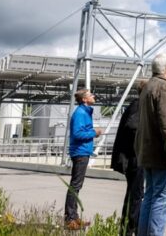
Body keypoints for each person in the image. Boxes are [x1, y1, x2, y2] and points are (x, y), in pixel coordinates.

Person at [135, 53, 166, 236]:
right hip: (161, 154)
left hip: (146, 152)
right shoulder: (165, 88)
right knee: (162, 199)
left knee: (150, 197)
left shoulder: (147, 86)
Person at [64, 89, 102, 230]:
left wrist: (92, 133)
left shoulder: (85, 112)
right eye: (90, 94)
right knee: (75, 185)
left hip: (83, 151)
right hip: (80, 152)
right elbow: (77, 133)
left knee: (76, 185)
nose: (93, 96)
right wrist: (94, 132)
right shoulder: (80, 113)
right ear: (85, 99)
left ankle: (73, 217)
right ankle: (70, 219)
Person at [111, 82, 145, 236]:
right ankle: (131, 228)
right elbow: (133, 127)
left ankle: (128, 227)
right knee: (135, 195)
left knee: (133, 193)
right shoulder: (139, 106)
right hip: (135, 158)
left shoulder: (135, 105)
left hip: (132, 157)